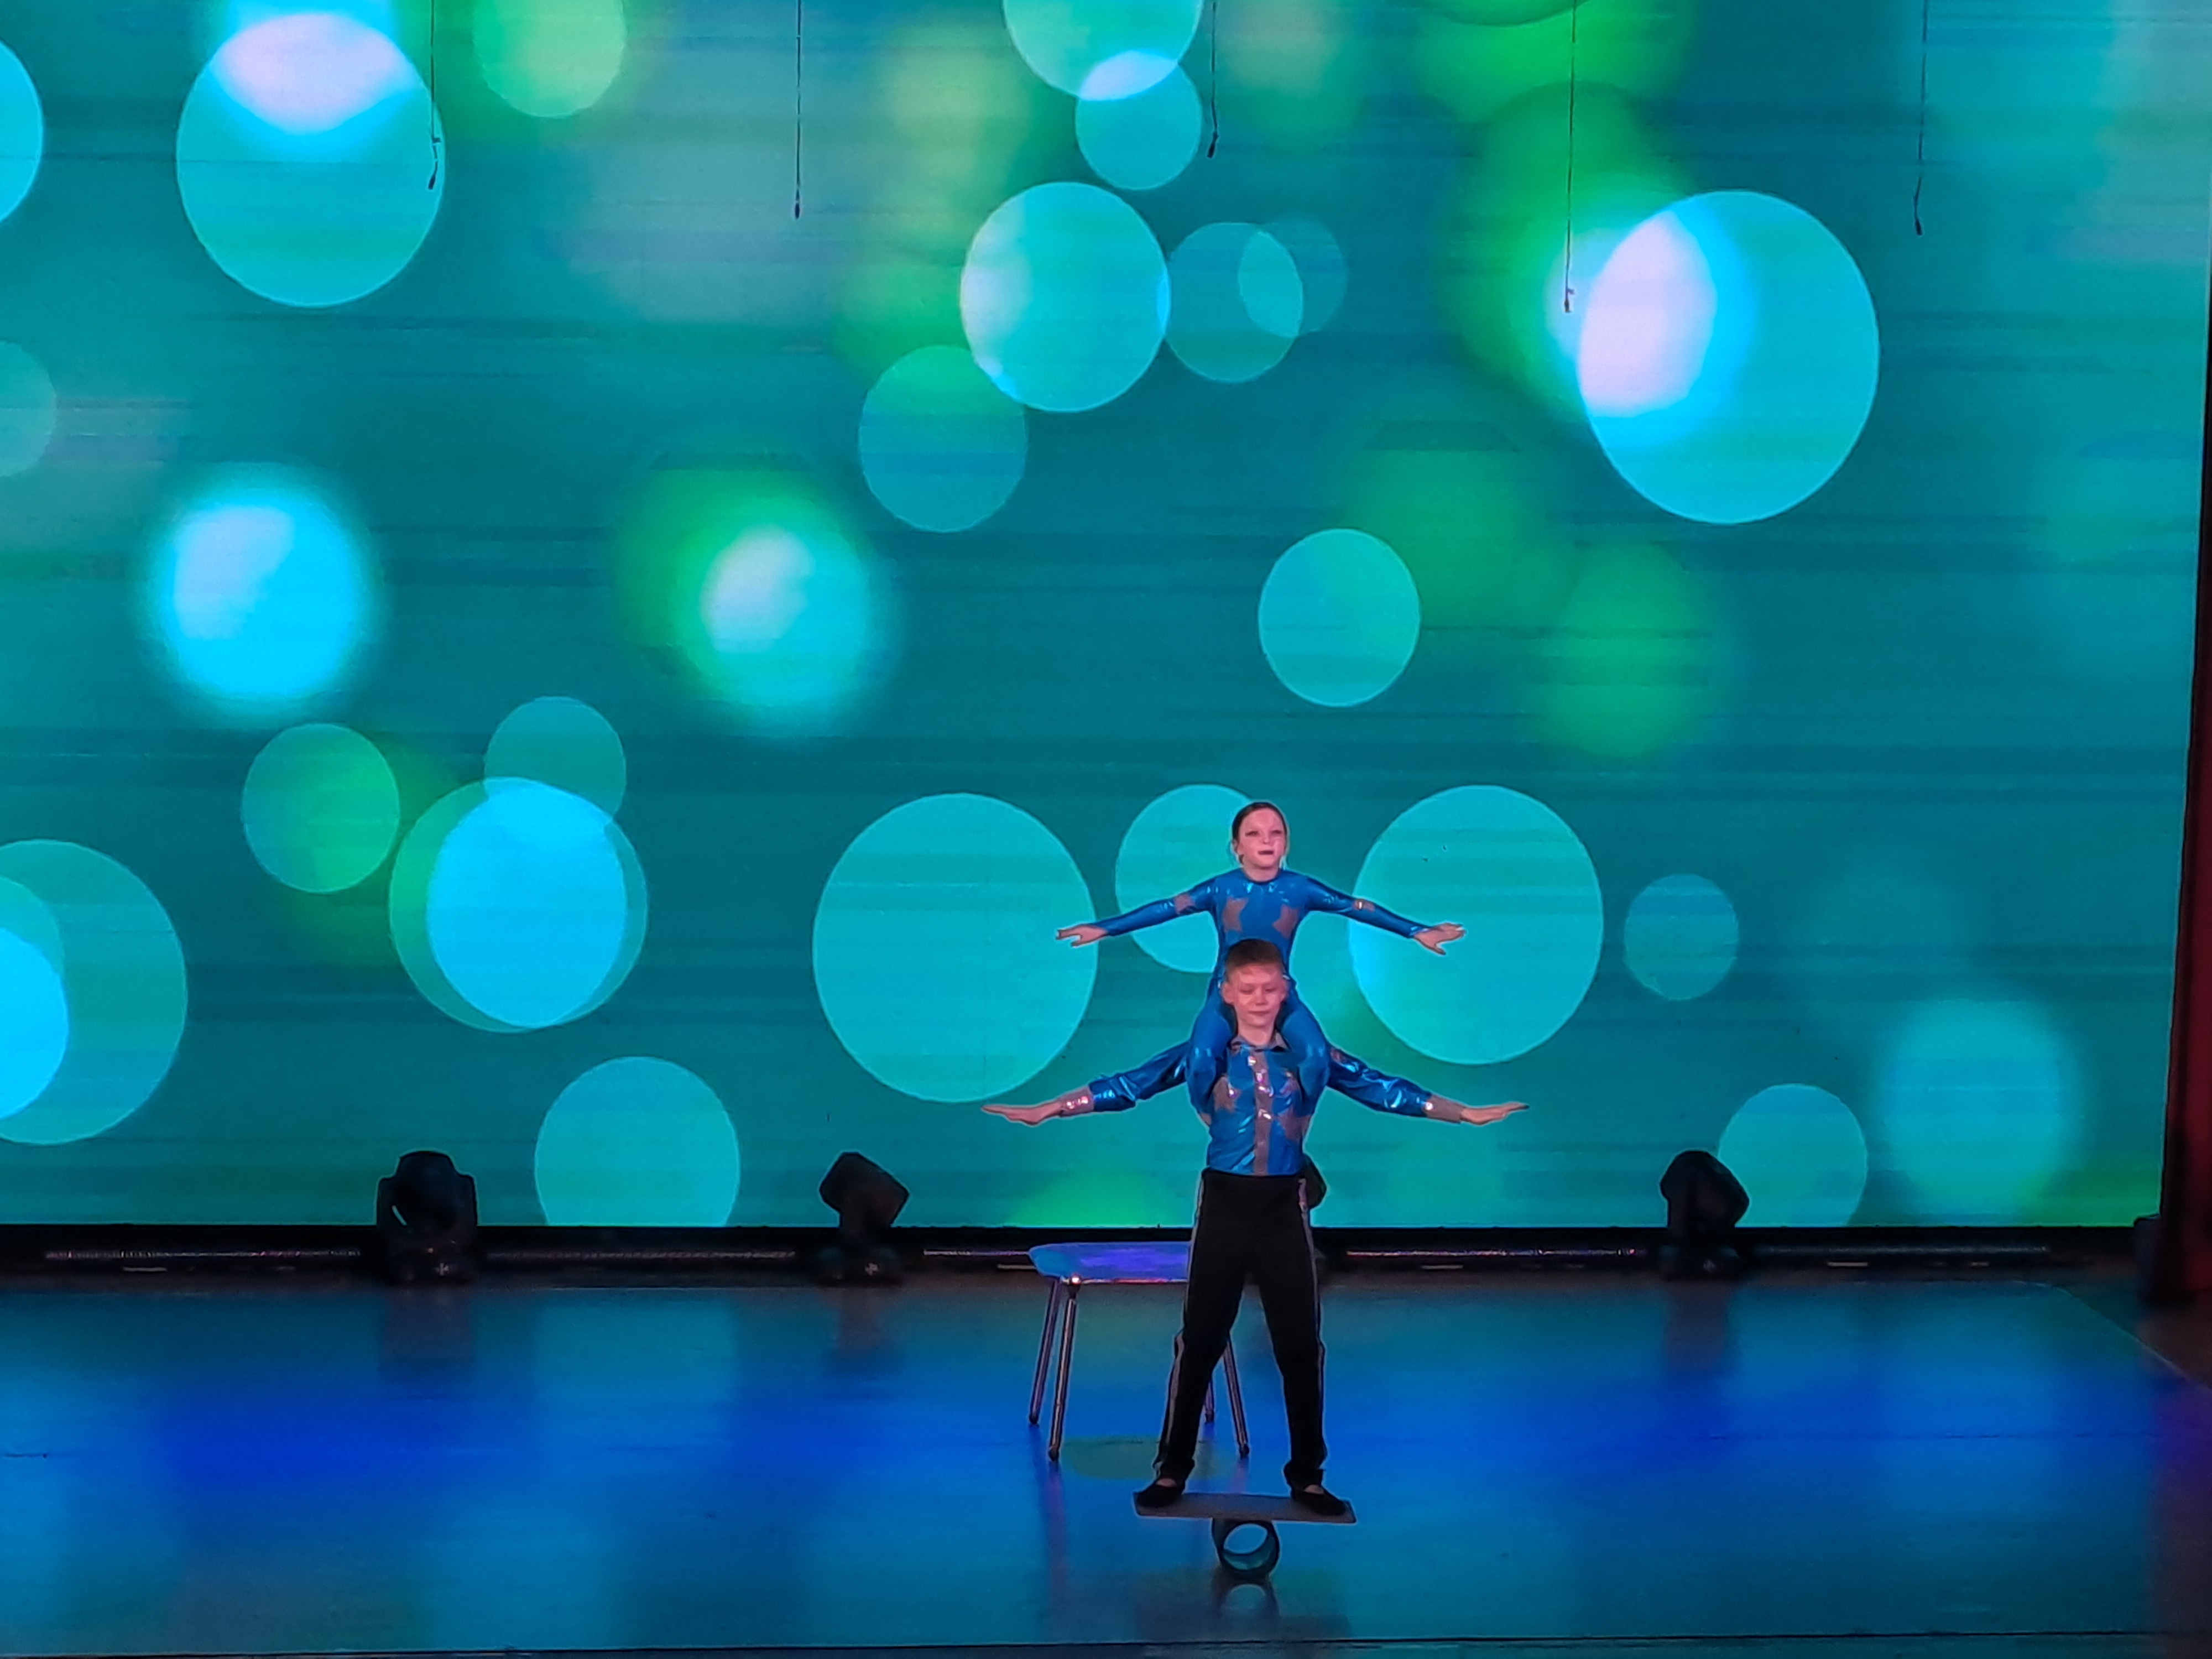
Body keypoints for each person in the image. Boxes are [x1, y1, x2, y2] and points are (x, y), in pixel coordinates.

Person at [986, 937, 1525, 1515]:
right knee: (1200, 1343)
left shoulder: (1310, 1057)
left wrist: (1462, 1113)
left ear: (1286, 991)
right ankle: (1172, 1471)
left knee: (1300, 1348)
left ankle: (1308, 1477)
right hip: (1225, 1205)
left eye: (1270, 988)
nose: (1261, 999)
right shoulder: (1209, 1056)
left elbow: (1380, 1087)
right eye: (1248, 989)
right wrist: (1051, 1108)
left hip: (1282, 1210)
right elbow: (1130, 1084)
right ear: (1227, 993)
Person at [1057, 801, 1464, 1115]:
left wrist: (1417, 931)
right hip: (1226, 995)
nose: (1266, 841)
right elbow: (1165, 908)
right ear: (1237, 847)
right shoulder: (1221, 889)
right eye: (1254, 834)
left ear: (1286, 844)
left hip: (1280, 994)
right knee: (1200, 1058)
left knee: (1317, 1057)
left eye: (1276, 834)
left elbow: (1357, 907)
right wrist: (1104, 928)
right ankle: (1213, 1120)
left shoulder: (1301, 889)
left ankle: (1295, 1126)